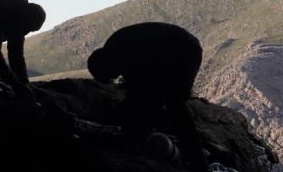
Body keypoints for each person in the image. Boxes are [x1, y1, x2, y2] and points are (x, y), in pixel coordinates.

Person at [88, 22, 208, 172]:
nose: (113, 78)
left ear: (106, 66)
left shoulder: (125, 54)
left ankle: (197, 161)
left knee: (176, 106)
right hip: (180, 47)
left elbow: (141, 92)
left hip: (183, 51)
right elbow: (142, 90)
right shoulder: (116, 47)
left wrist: (132, 130)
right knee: (165, 103)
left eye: (109, 77)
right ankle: (194, 158)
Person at [0, 0, 46, 98]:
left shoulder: (17, 21)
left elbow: (16, 55)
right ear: (23, 21)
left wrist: (24, 83)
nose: (26, 33)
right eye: (28, 29)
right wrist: (15, 85)